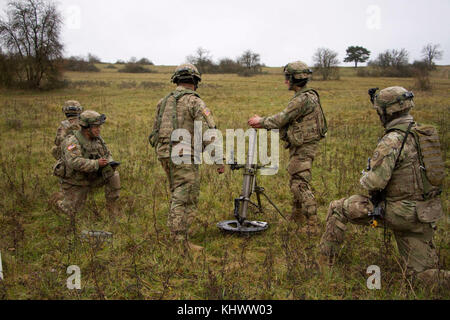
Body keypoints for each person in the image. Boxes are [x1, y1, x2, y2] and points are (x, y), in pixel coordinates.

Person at [319, 86, 448, 288]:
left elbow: (374, 183)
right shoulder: (424, 134)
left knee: (337, 208)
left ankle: (323, 266)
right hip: (425, 214)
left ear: (386, 112)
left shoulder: (392, 140)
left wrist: (366, 175)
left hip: (400, 212)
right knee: (420, 277)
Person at [149, 64, 224, 250]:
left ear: (176, 80)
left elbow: (155, 132)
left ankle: (180, 231)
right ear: (195, 82)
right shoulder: (195, 102)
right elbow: (207, 131)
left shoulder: (163, 101)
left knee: (178, 192)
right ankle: (179, 240)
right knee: (184, 195)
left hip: (164, 153)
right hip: (183, 155)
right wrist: (218, 159)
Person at [248, 61, 327, 230]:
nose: (285, 81)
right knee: (296, 178)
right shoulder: (309, 95)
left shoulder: (301, 99)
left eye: (287, 77)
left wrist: (260, 121)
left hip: (304, 146)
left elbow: (282, 119)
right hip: (303, 144)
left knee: (299, 183)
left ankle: (312, 224)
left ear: (293, 79)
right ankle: (297, 216)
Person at [54, 111, 121, 220]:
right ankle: (58, 202)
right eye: (96, 127)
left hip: (91, 176)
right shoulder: (72, 141)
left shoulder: (98, 139)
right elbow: (74, 161)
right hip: (75, 181)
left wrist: (109, 162)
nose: (99, 129)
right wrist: (96, 163)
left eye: (99, 126)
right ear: (86, 128)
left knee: (114, 175)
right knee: (71, 213)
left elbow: (107, 154)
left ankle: (113, 210)